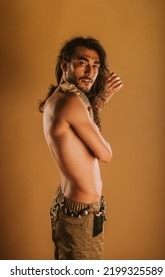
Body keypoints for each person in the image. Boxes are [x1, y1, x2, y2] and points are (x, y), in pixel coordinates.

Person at [39, 37, 123, 260]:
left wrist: (102, 98)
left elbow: (82, 126)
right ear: (65, 65)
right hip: (81, 216)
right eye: (82, 63)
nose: (90, 72)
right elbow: (105, 154)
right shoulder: (72, 102)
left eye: (95, 65)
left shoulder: (58, 98)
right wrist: (107, 144)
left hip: (71, 208)